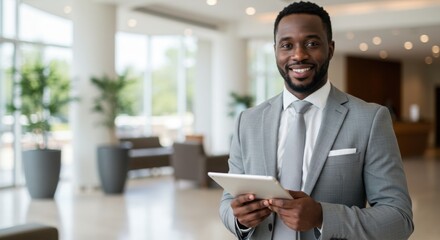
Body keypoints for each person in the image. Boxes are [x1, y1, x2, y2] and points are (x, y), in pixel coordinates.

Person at [219, 1, 414, 240]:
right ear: (276, 51)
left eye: (312, 43)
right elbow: (228, 202)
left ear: (330, 49)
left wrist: (323, 216)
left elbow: (399, 219)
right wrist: (240, 220)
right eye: (287, 45)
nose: (299, 55)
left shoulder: (370, 119)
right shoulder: (247, 121)